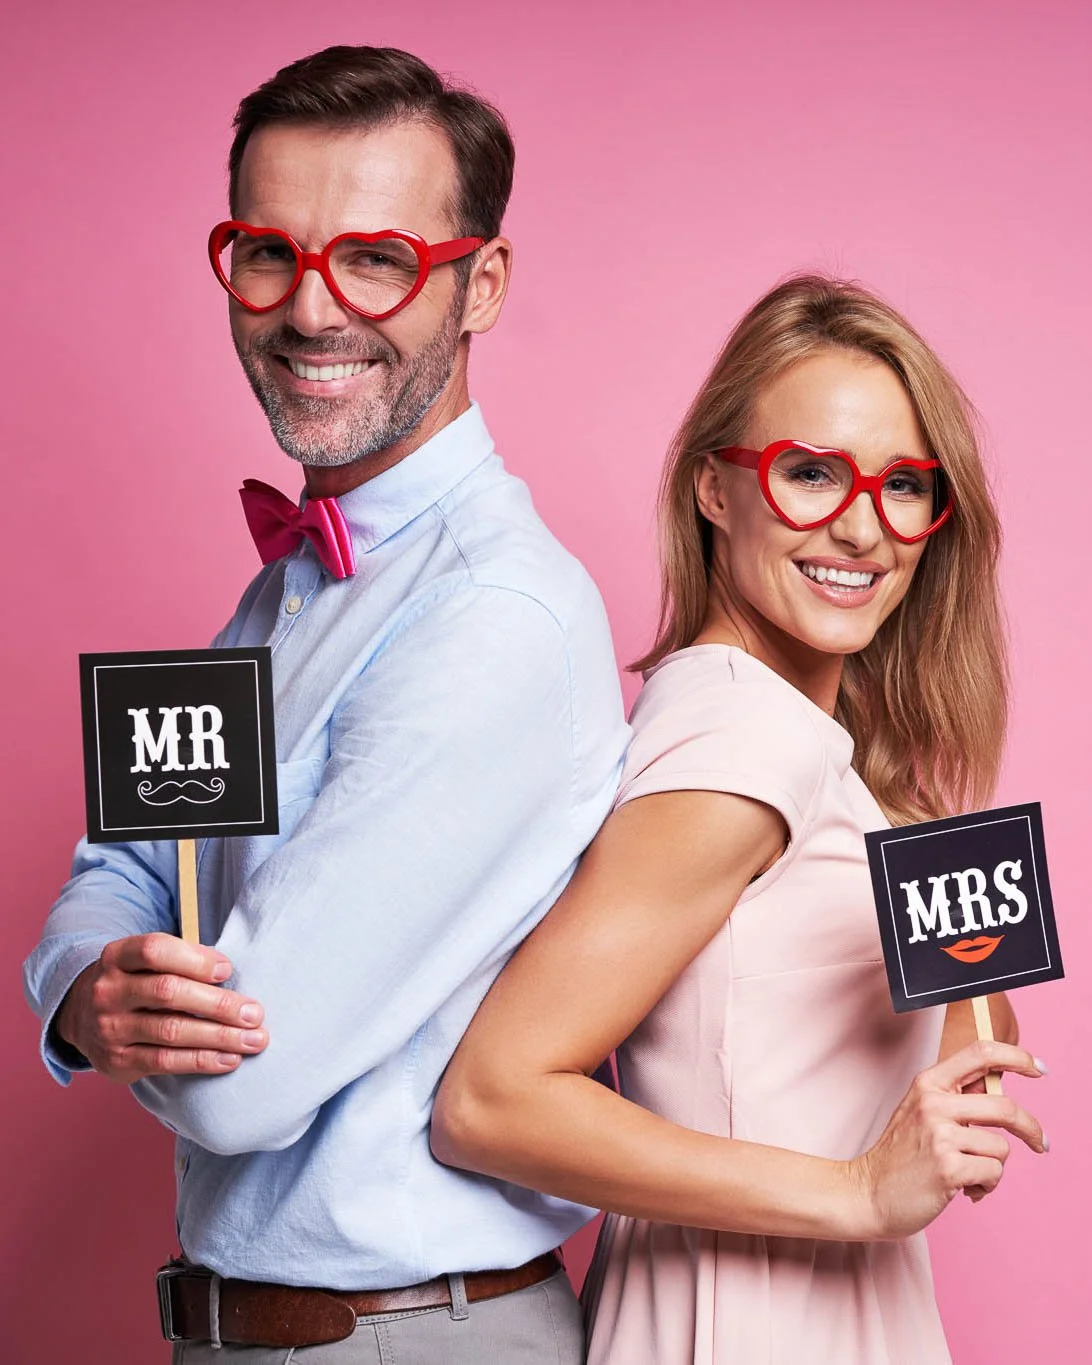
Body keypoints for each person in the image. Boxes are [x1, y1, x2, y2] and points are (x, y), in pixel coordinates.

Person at [22, 45, 628, 1363]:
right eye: (267, 253)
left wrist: (139, 1006)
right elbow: (120, 866)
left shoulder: (495, 617)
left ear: (482, 286)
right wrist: (83, 991)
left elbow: (241, 1085)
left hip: (411, 1337)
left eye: (376, 259)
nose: (311, 310)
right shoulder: (283, 590)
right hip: (247, 1332)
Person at [432, 274, 1048, 1364]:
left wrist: (967, 1026)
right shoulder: (746, 745)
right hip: (746, 1324)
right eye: (809, 473)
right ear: (715, 490)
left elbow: (905, 1081)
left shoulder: (801, 743)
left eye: (903, 484)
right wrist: (861, 1190)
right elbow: (490, 1100)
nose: (861, 527)